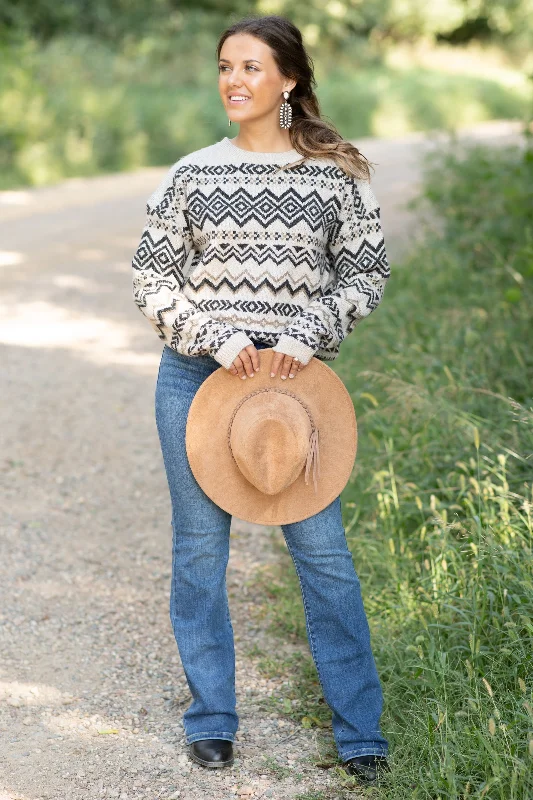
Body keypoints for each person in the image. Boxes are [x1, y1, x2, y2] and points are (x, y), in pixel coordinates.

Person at [131, 14, 391, 785]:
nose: (233, 81)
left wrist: (312, 326)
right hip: (197, 383)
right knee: (199, 553)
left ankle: (360, 734)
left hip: (295, 394)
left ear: (288, 80)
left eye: (250, 67)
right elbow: (150, 278)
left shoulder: (338, 175)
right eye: (223, 67)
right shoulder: (191, 175)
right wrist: (210, 334)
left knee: (324, 559)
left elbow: (365, 274)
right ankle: (211, 719)